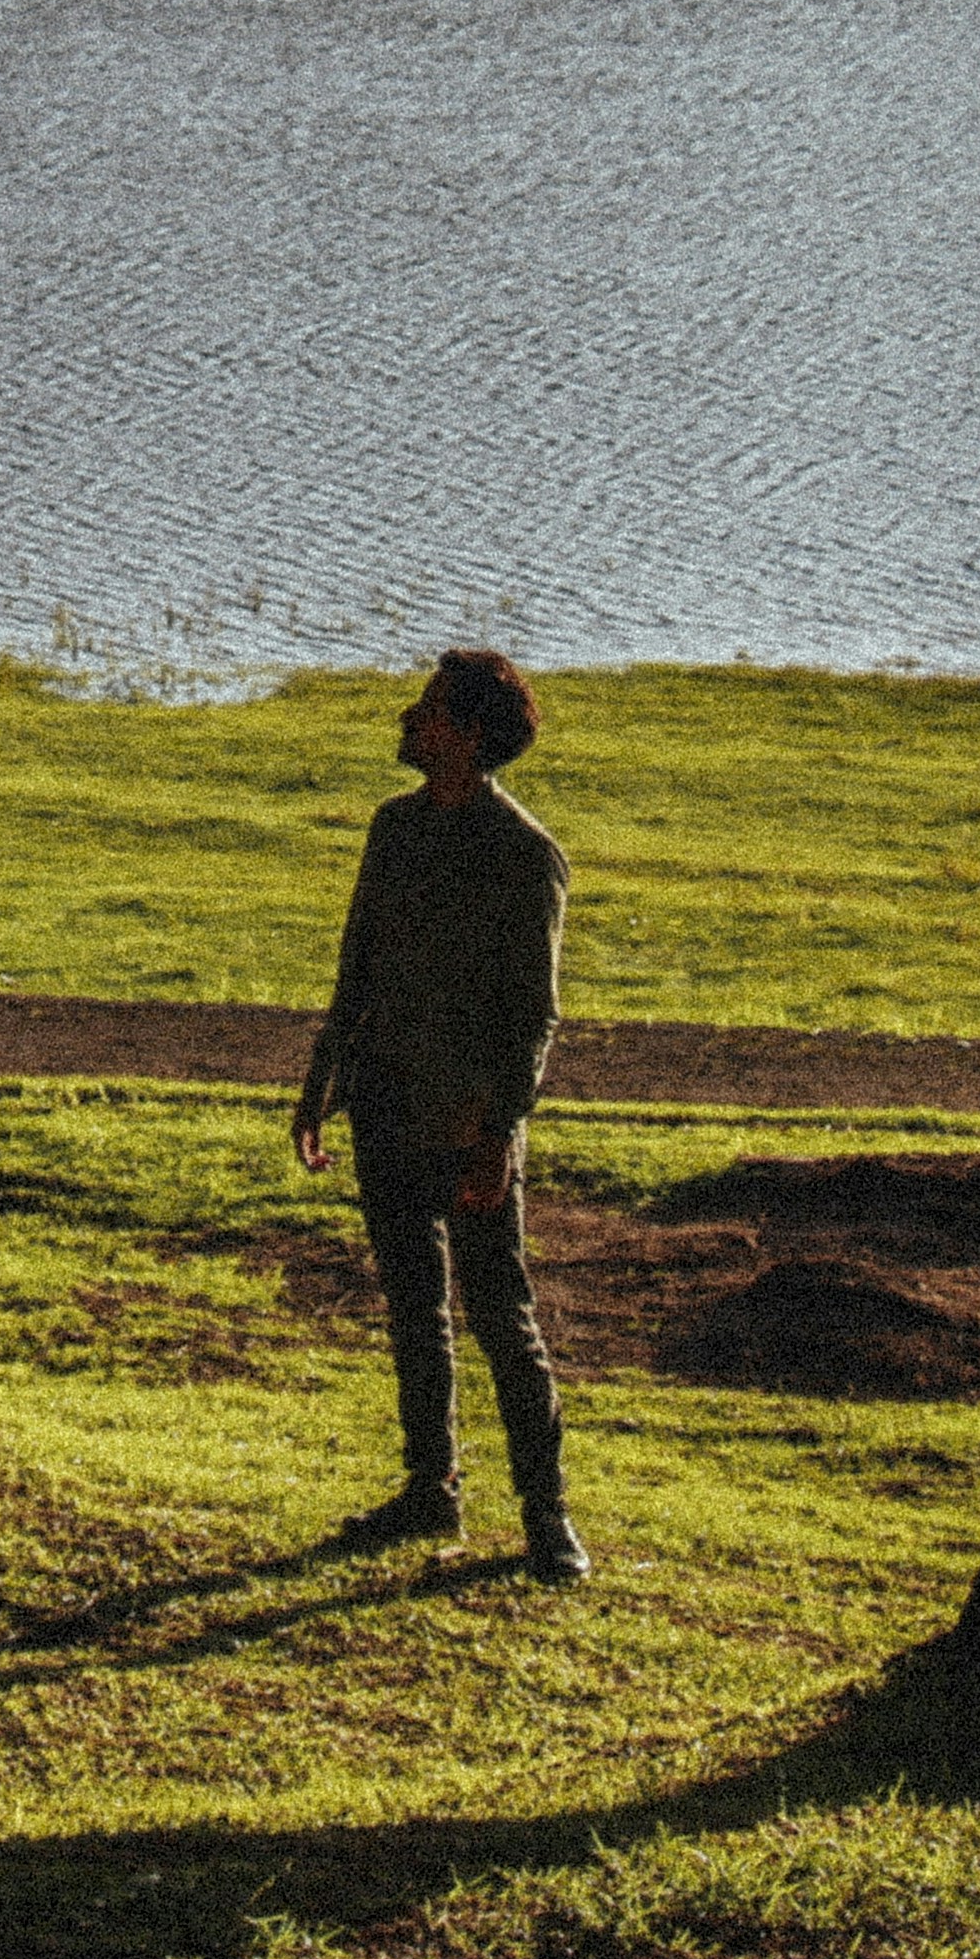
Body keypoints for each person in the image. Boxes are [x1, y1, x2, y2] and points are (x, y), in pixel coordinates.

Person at [292, 644, 584, 1580]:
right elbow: (358, 966)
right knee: (415, 1308)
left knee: (502, 1316)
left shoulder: (527, 857)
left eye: (425, 710)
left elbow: (533, 1015)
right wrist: (320, 1084)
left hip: (467, 1126)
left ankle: (548, 1520)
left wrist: (499, 1133)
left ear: (465, 734)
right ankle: (431, 1492)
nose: (406, 722)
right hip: (383, 1107)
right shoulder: (393, 829)